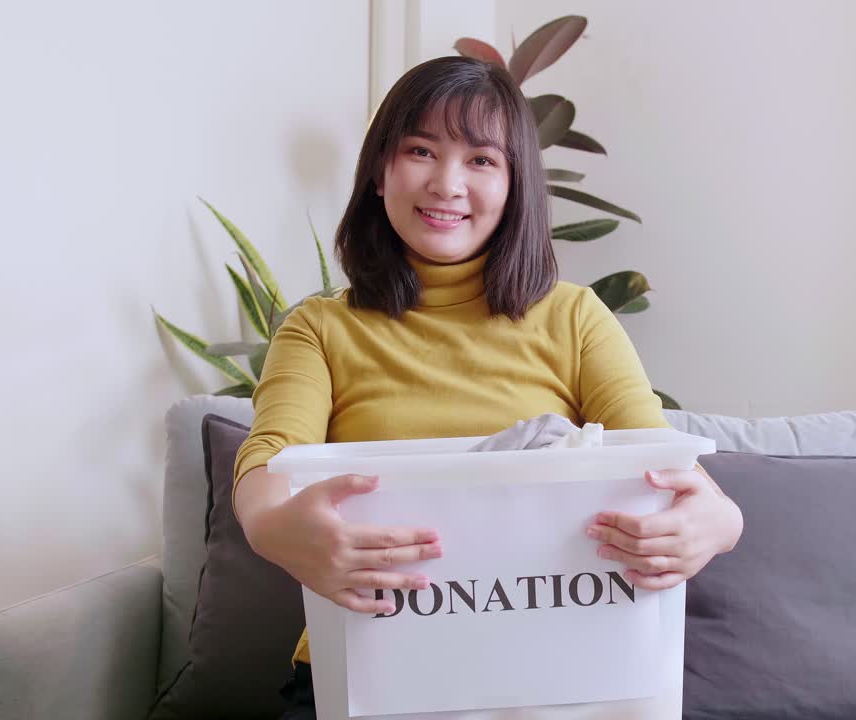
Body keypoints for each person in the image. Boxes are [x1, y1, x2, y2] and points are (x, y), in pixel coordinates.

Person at [232, 55, 744, 719]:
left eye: (481, 160)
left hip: (555, 673)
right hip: (367, 665)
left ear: (514, 186)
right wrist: (272, 526)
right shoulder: (319, 329)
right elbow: (269, 461)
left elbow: (665, 465)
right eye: (421, 150)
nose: (447, 183)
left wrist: (718, 522)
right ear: (380, 171)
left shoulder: (576, 317)